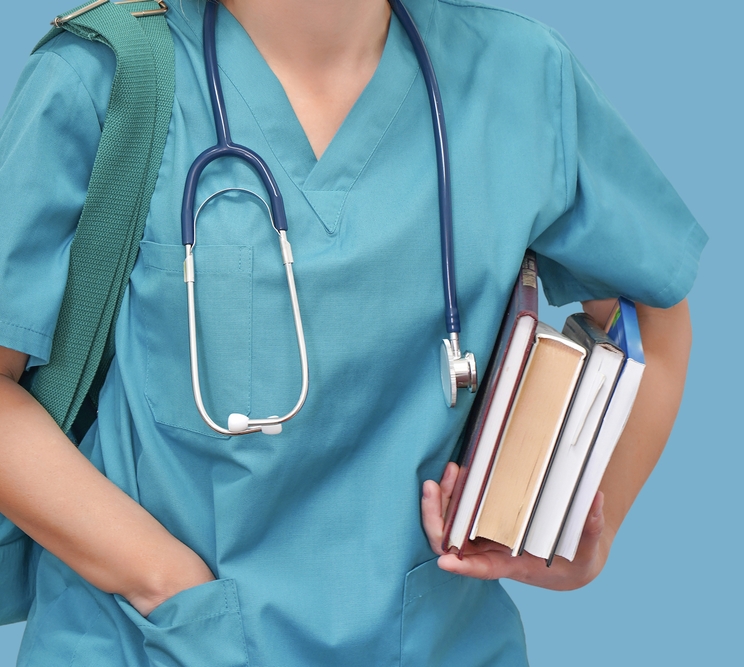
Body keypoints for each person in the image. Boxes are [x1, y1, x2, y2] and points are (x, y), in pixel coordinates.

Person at [0, 0, 707, 664]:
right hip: (149, 642)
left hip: (437, 641)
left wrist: (575, 529)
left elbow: (654, 311)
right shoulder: (106, 77)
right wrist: (166, 580)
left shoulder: (520, 77)